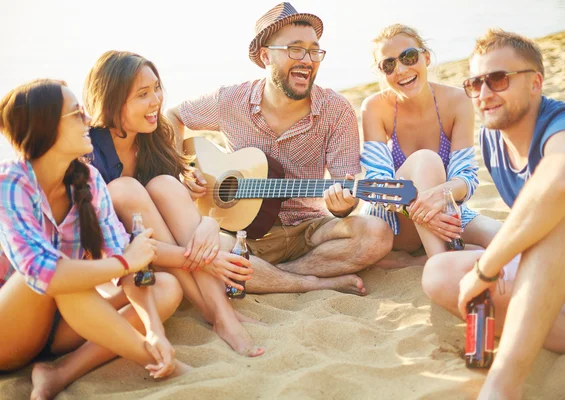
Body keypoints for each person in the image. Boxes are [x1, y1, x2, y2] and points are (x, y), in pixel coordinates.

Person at [167, 2, 393, 295]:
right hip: (242, 235)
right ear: (265, 56)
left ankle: (271, 276)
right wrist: (180, 168)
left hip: (310, 231)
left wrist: (344, 204)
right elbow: (171, 116)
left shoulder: (337, 110)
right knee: (213, 247)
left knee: (376, 234)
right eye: (295, 49)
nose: (307, 59)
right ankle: (310, 281)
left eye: (314, 50)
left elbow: (346, 189)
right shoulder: (229, 101)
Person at [422, 29, 565, 399]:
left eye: (498, 79)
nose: (485, 94)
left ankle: (503, 386)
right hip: (560, 271)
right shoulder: (491, 139)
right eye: (474, 83)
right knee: (440, 273)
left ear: (535, 82)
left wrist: (487, 269)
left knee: (557, 205)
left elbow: (563, 178)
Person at [0, 79, 192, 400]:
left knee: (166, 286)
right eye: (76, 114)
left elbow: (127, 264)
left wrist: (155, 330)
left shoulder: (87, 179)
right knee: (64, 277)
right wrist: (124, 262)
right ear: (44, 128)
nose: (88, 120)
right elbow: (43, 273)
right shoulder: (10, 183)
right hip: (11, 329)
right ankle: (153, 358)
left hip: (68, 325)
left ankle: (61, 371)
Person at [85, 50, 264, 357]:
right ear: (112, 101)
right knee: (125, 189)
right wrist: (205, 257)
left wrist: (207, 221)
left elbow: (170, 213)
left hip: (164, 256)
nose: (156, 101)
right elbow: (118, 244)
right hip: (117, 267)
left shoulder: (153, 138)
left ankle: (219, 314)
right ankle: (218, 313)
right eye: (143, 94)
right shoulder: (89, 153)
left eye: (156, 88)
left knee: (166, 184)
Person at [360, 24, 499, 269]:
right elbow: (377, 185)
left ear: (426, 57)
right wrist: (417, 208)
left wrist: (433, 199)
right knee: (426, 159)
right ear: (381, 72)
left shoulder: (458, 101)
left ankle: (421, 259)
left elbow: (466, 179)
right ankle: (441, 263)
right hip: (394, 221)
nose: (401, 70)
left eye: (409, 57)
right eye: (388, 64)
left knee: (503, 238)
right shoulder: (375, 107)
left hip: (444, 210)